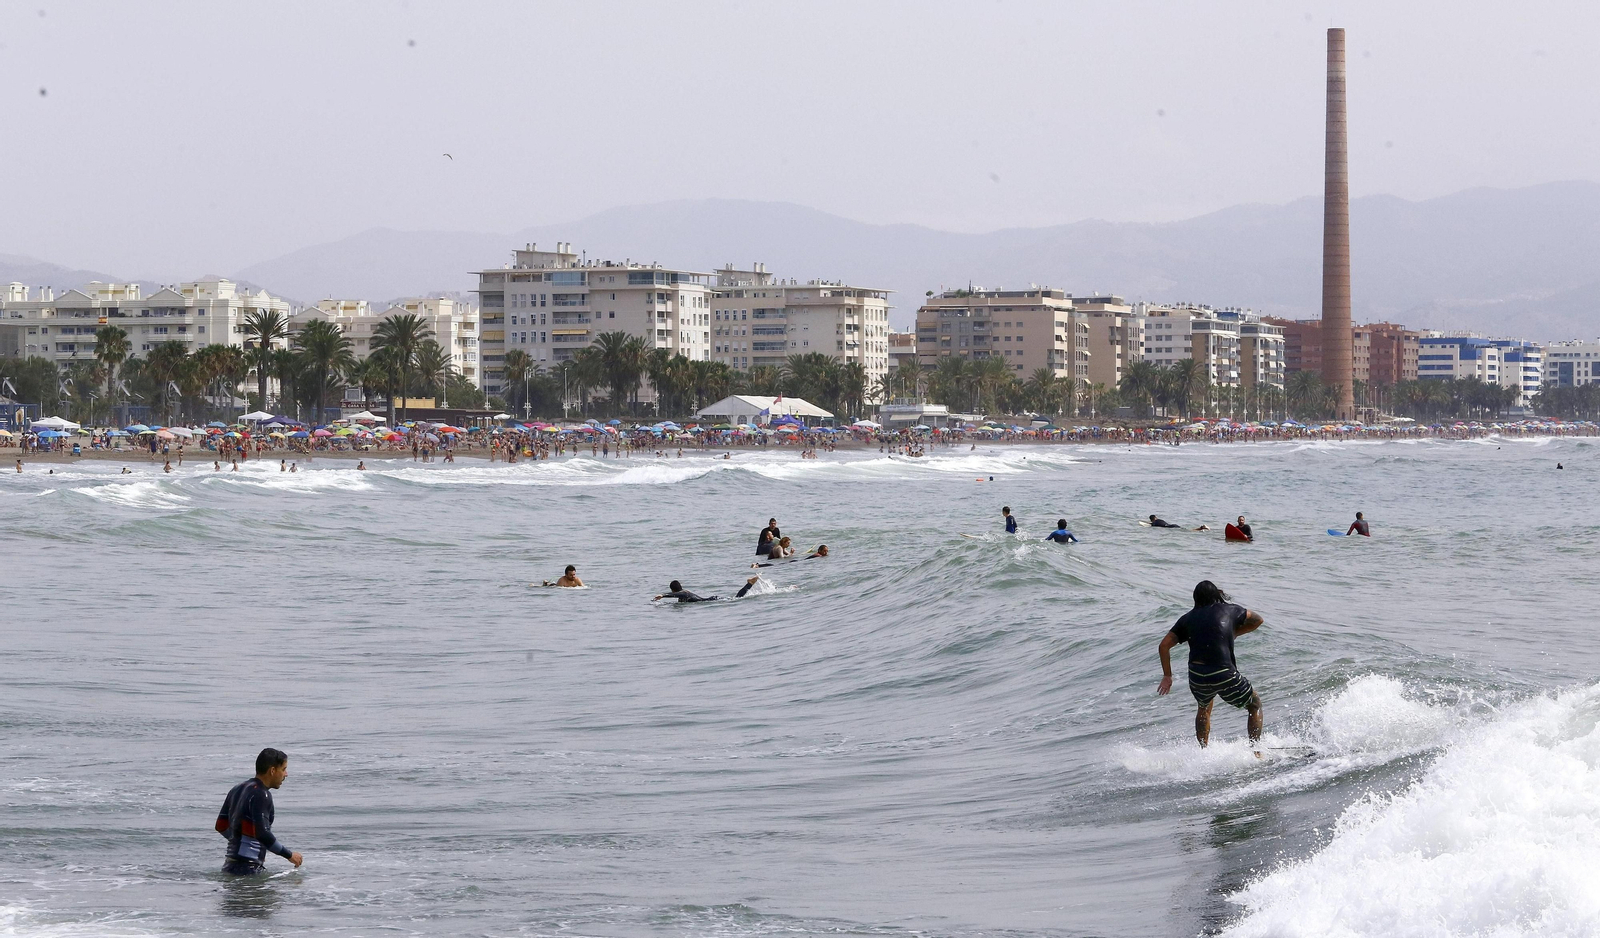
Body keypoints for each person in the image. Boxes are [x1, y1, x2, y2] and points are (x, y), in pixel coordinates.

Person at [1156, 580, 1265, 749]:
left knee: (1204, 707)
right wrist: (1234, 632)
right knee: (1254, 704)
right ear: (1217, 595)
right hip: (1223, 672)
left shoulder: (1186, 618)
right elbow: (1258, 620)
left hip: (1198, 676)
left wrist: (1167, 676)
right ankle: (1256, 750)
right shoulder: (1231, 610)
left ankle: (1203, 752)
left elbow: (1163, 646)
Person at [215, 748, 303, 875]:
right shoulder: (261, 794)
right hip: (249, 869)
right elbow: (262, 833)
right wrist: (289, 855)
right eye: (283, 769)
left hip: (229, 865)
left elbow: (221, 825)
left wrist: (241, 844)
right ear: (272, 771)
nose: (286, 774)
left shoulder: (236, 789)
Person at [654, 576, 760, 602]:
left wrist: (663, 595)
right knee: (736, 598)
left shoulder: (683, 593)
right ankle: (749, 585)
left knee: (737, 599)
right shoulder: (684, 593)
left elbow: (675, 595)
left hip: (712, 600)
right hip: (712, 599)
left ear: (673, 590)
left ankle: (749, 584)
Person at [752, 545, 829, 567]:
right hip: (797, 562)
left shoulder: (818, 554)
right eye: (824, 551)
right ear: (819, 550)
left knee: (776, 565)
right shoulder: (818, 555)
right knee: (775, 565)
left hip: (797, 561)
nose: (826, 552)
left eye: (827, 551)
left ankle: (758, 565)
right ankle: (758, 565)